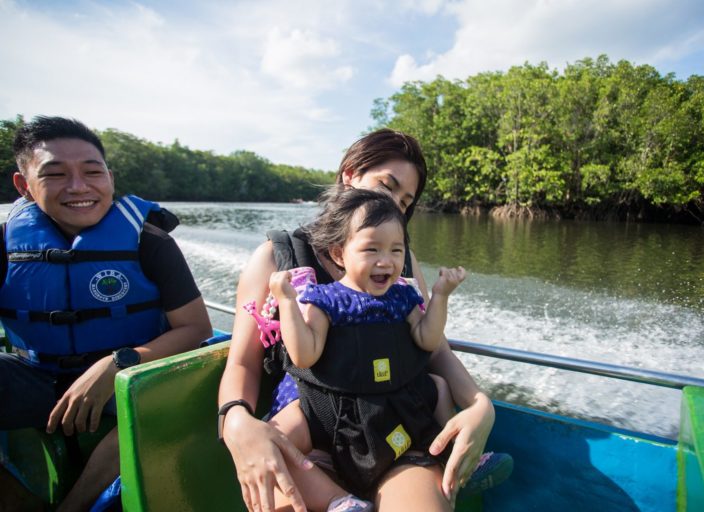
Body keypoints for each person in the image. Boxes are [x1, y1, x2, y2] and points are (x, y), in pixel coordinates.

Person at [218, 128, 503, 512]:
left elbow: (434, 349)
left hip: (396, 431)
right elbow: (242, 363)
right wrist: (235, 420)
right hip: (312, 433)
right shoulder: (277, 258)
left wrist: (480, 405)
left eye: (405, 201)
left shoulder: (402, 264)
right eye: (387, 186)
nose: (394, 205)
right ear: (349, 175)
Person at [0, 116, 213, 511]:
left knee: (161, 400)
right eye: (56, 174)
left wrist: (117, 364)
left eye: (92, 172)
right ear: (23, 185)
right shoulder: (6, 243)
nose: (78, 187)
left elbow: (195, 328)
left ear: (110, 179)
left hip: (131, 376)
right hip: (37, 375)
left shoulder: (150, 242)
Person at [262, 188, 466, 509]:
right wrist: (287, 301)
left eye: (396, 250)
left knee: (439, 387)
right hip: (329, 409)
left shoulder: (403, 297)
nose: (386, 261)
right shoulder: (325, 300)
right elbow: (304, 355)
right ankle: (338, 502)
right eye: (372, 249)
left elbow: (427, 340)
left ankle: (455, 456)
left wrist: (440, 296)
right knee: (270, 445)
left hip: (389, 406)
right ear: (339, 254)